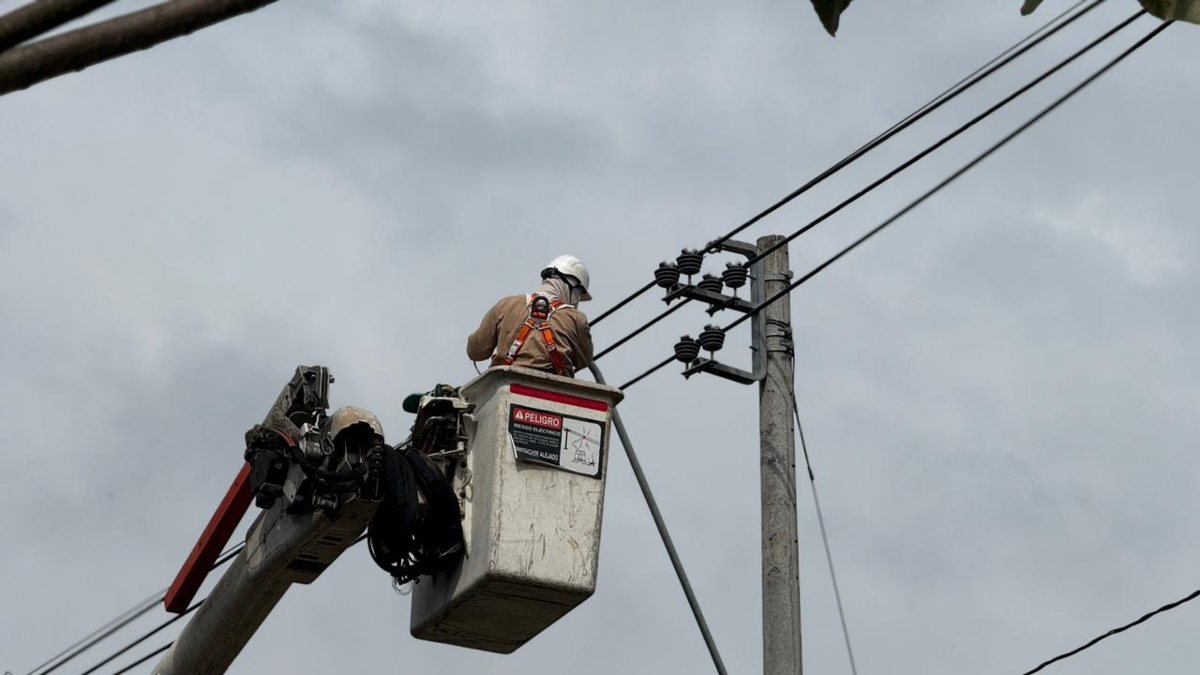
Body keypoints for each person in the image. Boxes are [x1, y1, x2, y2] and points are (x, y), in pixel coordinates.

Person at [467, 255, 594, 378]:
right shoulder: (576, 319)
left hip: (504, 385)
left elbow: (476, 351)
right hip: (556, 391)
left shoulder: (506, 305)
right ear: (572, 286)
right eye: (579, 294)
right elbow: (583, 360)